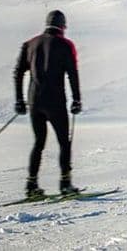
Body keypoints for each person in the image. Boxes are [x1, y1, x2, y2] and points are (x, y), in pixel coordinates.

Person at [13, 10, 82, 198]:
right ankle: (65, 184)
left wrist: (19, 99)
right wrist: (77, 99)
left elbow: (18, 72)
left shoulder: (29, 44)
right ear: (62, 26)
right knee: (64, 143)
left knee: (39, 142)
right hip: (55, 102)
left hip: (35, 101)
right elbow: (72, 73)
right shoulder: (66, 45)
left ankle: (31, 185)